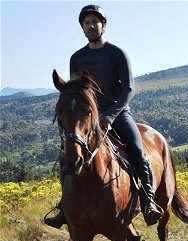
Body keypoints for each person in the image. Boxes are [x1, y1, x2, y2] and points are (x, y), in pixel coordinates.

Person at [44, 4, 162, 228]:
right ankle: (64, 207)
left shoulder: (117, 53)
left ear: (103, 25)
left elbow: (128, 89)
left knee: (137, 151)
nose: (90, 26)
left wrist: (110, 115)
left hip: (117, 114)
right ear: (83, 28)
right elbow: (76, 92)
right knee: (67, 155)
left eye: (94, 22)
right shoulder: (77, 58)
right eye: (86, 23)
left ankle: (148, 202)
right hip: (88, 118)